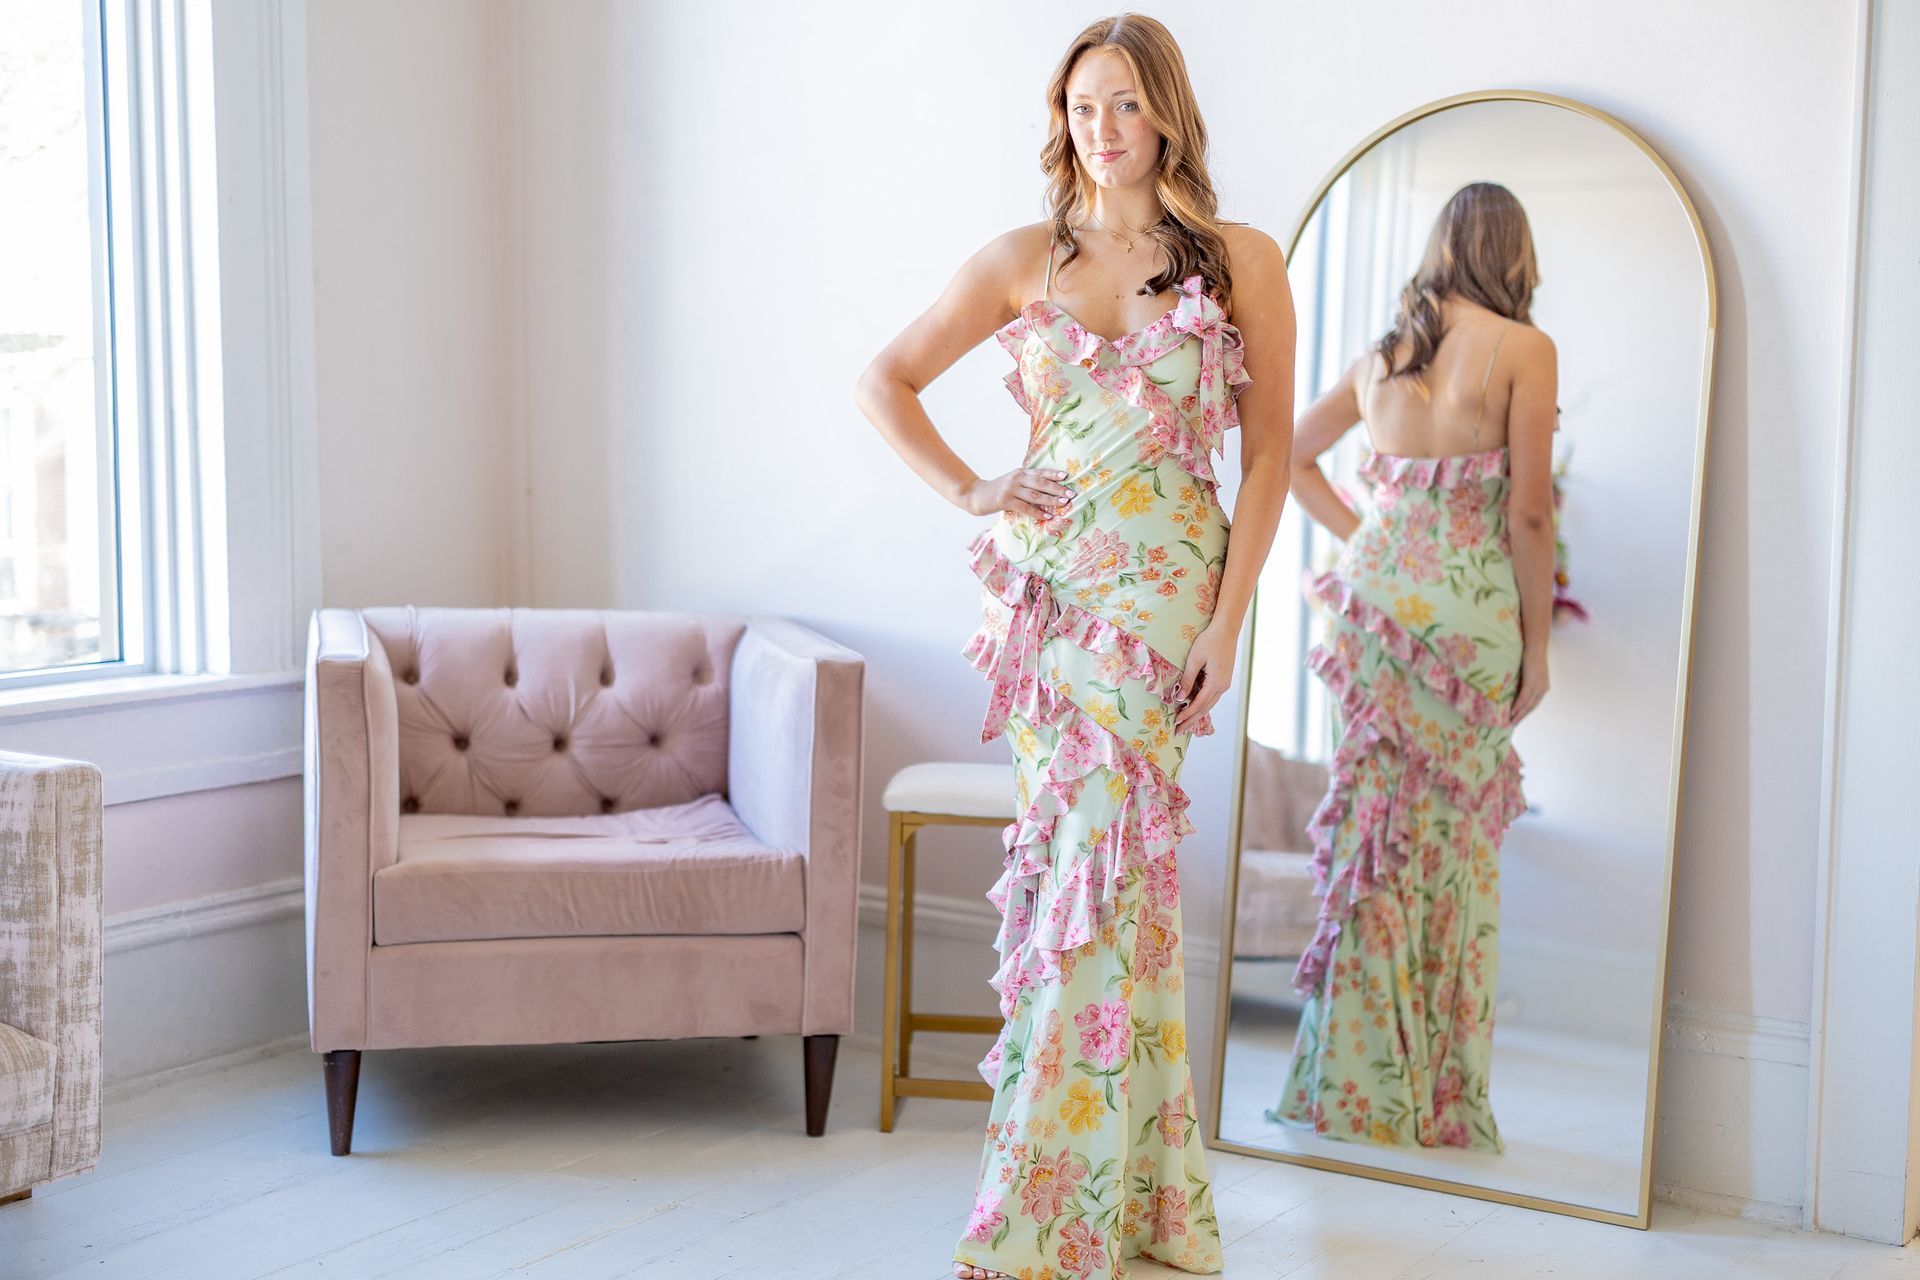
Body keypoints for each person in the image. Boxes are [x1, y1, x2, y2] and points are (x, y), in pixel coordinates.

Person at [854, 14, 1293, 1277]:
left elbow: (1265, 458)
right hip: (1046, 612)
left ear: (1166, 114)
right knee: (1086, 885)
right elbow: (884, 378)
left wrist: (1228, 615)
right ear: (1064, 119)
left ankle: (1051, 1205)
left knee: (1115, 881)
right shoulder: (1019, 258)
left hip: (1162, 604)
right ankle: (1131, 1198)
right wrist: (973, 488)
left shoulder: (1237, 260)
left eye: (1124, 105)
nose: (1101, 129)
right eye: (1082, 107)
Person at [1268, 181, 1557, 1152]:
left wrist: (1374, 542)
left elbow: (1289, 457)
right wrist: (1539, 644)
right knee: (1451, 858)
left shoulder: (1382, 357)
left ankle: (1350, 1089)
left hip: (1378, 615)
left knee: (1375, 844)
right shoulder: (1526, 348)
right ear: (1512, 253)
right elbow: (1527, 513)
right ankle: (1433, 1095)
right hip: (1469, 627)